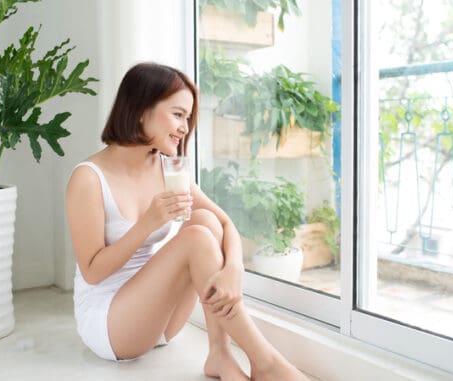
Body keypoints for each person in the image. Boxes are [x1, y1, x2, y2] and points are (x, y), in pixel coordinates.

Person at [65, 62, 309, 381]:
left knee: (205, 220)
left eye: (187, 118)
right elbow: (93, 272)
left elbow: (224, 224)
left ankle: (220, 354)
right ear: (141, 109)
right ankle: (266, 362)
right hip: (110, 324)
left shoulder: (168, 168)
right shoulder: (88, 178)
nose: (184, 127)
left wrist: (234, 270)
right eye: (178, 114)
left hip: (160, 320)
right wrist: (147, 225)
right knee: (196, 238)